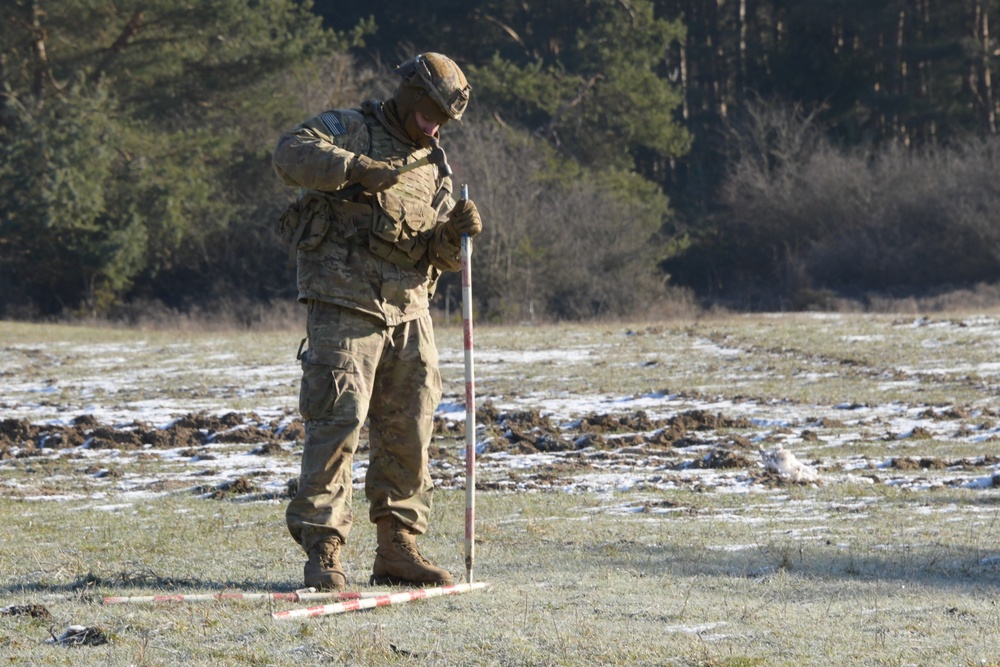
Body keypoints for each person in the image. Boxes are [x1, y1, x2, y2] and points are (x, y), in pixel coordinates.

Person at [272, 53, 482, 590]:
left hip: (410, 312)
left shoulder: (435, 165)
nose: (434, 125)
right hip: (345, 303)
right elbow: (289, 153)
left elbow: (432, 254)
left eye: (443, 119)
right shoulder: (350, 129)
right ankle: (324, 550)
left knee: (410, 427)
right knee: (338, 421)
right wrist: (354, 168)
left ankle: (398, 547)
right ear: (410, 96)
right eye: (429, 112)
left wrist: (454, 237)